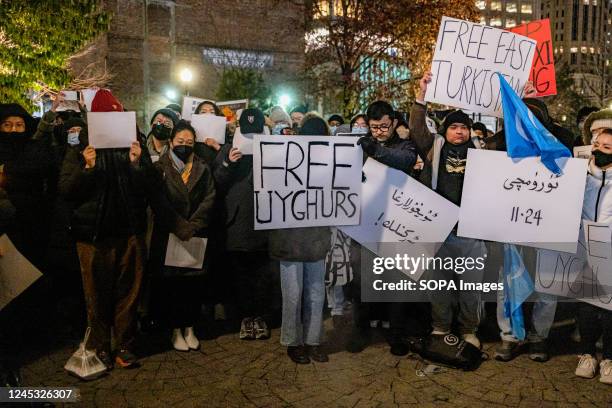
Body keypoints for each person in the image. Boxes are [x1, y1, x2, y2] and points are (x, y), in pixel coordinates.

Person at [58, 90, 156, 369]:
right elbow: (66, 188)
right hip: (93, 235)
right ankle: (100, 346)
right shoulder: (79, 146)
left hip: (129, 231)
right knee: (96, 294)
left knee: (129, 291)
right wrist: (87, 168)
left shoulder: (135, 142)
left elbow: (149, 187)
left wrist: (137, 164)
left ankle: (125, 344)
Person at [409, 72, 486, 349]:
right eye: (454, 127)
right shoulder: (434, 148)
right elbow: (417, 128)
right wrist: (422, 94)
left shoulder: (483, 152)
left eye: (463, 128)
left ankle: (469, 331)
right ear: (446, 130)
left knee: (470, 289)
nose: (459, 132)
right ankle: (440, 328)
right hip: (440, 232)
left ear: (469, 131)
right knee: (439, 287)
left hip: (470, 234)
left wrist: (521, 101)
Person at [347, 100, 420, 355]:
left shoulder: (404, 144)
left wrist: (376, 151)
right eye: (374, 127)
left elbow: (405, 159)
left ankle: (396, 333)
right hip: (365, 223)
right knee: (361, 279)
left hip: (397, 223)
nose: (379, 132)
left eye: (384, 127)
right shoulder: (360, 145)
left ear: (394, 123)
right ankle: (361, 329)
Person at [269, 113, 331, 364]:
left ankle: (313, 341)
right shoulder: (284, 158)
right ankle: (293, 342)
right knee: (293, 296)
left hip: (315, 239)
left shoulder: (329, 162)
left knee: (316, 295)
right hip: (289, 240)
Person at [148, 120, 215, 351]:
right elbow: (158, 201)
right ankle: (175, 329)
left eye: (189, 142)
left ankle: (190, 327)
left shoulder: (202, 167)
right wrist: (179, 226)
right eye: (180, 141)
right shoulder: (159, 168)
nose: (184, 145)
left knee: (193, 285)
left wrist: (193, 225)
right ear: (171, 141)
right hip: (170, 234)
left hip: (195, 235)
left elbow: (210, 198)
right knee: (172, 285)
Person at [213, 108, 277, 340]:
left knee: (263, 275)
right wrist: (228, 164)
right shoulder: (227, 151)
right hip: (237, 225)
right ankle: (245, 318)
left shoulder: (273, 150)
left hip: (264, 223)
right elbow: (216, 185)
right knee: (240, 276)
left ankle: (260, 317)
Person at [573, 128, 612, 384]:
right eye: (596, 144)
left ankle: (608, 358)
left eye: (607, 147)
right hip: (583, 246)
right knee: (586, 304)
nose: (598, 149)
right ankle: (587, 354)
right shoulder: (577, 175)